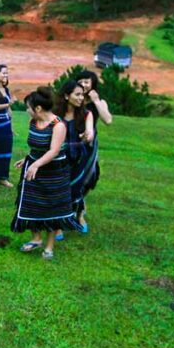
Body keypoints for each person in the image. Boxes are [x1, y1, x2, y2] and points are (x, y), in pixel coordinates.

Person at [11, 87, 79, 259]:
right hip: (35, 166)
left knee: (52, 207)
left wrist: (36, 165)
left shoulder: (58, 125)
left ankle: (49, 247)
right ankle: (36, 238)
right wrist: (28, 159)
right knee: (33, 203)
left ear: (38, 108)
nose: (27, 110)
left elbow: (54, 151)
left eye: (28, 107)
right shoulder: (33, 122)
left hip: (54, 171)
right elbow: (35, 145)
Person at [74, 70, 112, 233]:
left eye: (87, 81)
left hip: (89, 147)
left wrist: (96, 100)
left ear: (93, 84)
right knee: (72, 178)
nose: (84, 84)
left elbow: (108, 120)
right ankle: (70, 214)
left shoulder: (99, 102)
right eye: (81, 81)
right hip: (72, 142)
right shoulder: (74, 99)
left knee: (89, 178)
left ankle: (79, 214)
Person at [55, 80, 95, 225]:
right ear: (66, 96)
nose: (81, 98)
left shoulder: (86, 114)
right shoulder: (55, 114)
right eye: (77, 95)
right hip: (58, 157)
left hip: (78, 158)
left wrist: (88, 135)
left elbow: (89, 132)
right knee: (59, 188)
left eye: (82, 95)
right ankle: (57, 224)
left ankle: (78, 215)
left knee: (76, 188)